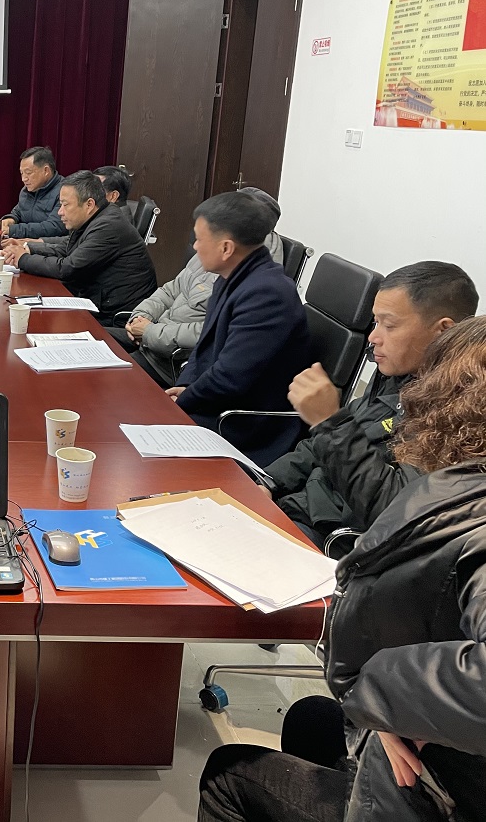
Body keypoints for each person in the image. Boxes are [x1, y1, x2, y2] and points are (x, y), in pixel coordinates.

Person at [198, 315, 486, 822]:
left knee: (230, 774)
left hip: (445, 791)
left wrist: (381, 694)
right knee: (311, 720)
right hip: (444, 755)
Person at [264, 261, 478, 552]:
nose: (374, 337)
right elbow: (323, 445)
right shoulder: (399, 370)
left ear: (443, 331)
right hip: (300, 505)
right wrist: (268, 481)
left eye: (389, 325)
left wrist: (330, 422)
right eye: (375, 322)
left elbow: (394, 509)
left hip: (333, 538)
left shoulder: (460, 412)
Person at [165, 192, 310, 466]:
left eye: (200, 239)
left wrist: (184, 402)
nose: (195, 246)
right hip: (217, 403)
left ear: (226, 248)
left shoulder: (267, 293)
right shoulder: (230, 277)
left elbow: (230, 377)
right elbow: (204, 348)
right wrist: (184, 386)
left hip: (245, 423)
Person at [114, 189, 287, 388]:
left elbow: (209, 337)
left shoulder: (255, 287)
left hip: (170, 359)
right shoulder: (220, 257)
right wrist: (142, 316)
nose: (195, 246)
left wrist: (150, 332)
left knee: (104, 381)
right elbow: (171, 288)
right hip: (155, 341)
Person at [0, 170, 157, 324]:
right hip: (97, 301)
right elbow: (67, 248)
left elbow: (68, 268)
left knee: (38, 321)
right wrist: (28, 247)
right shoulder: (98, 217)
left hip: (116, 317)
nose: (60, 212)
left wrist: (23, 259)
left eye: (65, 205)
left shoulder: (108, 226)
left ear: (89, 204)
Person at [0, 146, 63, 238]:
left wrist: (14, 230)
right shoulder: (26, 190)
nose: (23, 179)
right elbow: (18, 212)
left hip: (48, 245)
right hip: (21, 242)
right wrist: (11, 219)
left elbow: (54, 227)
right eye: (22, 173)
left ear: (46, 171)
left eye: (28, 173)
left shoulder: (64, 191)